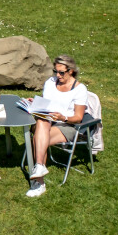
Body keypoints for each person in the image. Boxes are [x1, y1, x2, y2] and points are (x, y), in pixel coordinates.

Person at [26, 54, 88, 197]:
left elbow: (78, 118)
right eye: (55, 71)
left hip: (66, 126)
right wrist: (35, 103)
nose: (58, 75)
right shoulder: (50, 82)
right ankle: (40, 170)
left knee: (39, 139)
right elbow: (45, 104)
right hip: (46, 121)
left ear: (71, 71)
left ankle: (39, 180)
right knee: (43, 122)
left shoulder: (80, 89)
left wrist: (63, 117)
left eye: (61, 72)